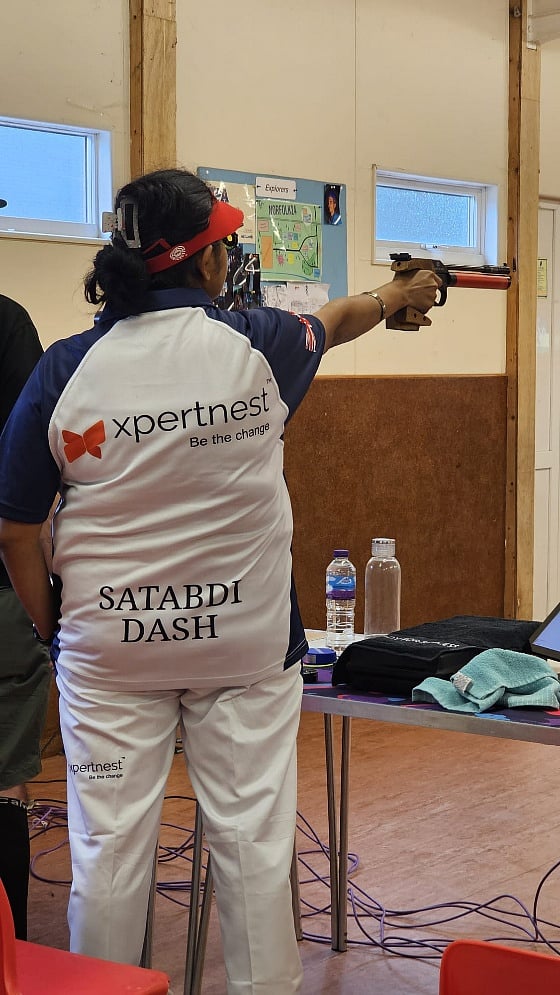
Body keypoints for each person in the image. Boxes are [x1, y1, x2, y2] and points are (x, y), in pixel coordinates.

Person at [0, 168, 439, 993]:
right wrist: (395, 295)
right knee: (252, 850)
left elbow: (17, 527)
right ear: (203, 261)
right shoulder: (258, 345)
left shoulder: (65, 371)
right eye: (227, 242)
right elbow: (337, 321)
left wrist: (55, 629)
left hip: (111, 651)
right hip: (242, 646)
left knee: (108, 857)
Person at [0, 289, 52, 940]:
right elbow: (29, 468)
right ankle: (9, 958)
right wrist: (48, 624)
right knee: (4, 781)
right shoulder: (7, 323)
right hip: (2, 593)